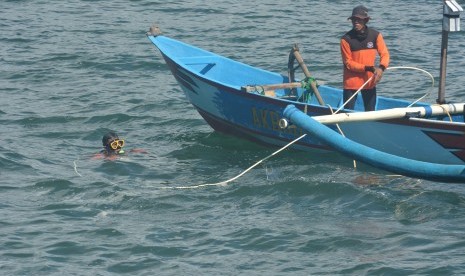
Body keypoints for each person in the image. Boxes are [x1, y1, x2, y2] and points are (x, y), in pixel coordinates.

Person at [340, 5, 390, 111]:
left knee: (370, 113)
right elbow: (348, 63)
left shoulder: (376, 35)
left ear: (366, 20)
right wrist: (370, 68)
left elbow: (385, 54)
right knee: (347, 113)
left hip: (369, 82)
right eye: (354, 19)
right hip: (351, 83)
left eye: (359, 19)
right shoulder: (345, 39)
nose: (356, 22)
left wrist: (381, 68)